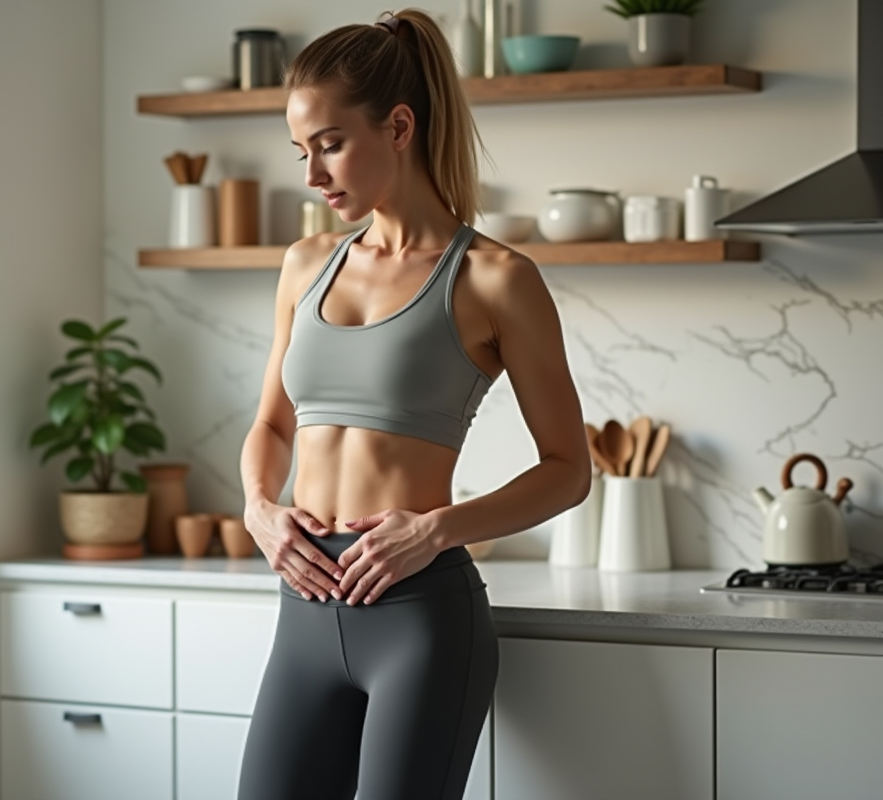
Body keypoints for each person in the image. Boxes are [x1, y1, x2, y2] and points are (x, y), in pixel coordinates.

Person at [236, 8, 592, 800]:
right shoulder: (304, 265)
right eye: (301, 151)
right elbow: (270, 424)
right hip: (301, 610)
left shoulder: (495, 280)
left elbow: (569, 472)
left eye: (329, 144)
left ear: (399, 125)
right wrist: (260, 508)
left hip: (419, 618)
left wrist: (434, 530)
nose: (312, 174)